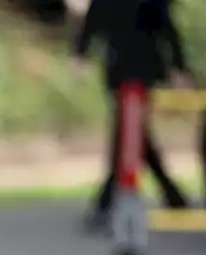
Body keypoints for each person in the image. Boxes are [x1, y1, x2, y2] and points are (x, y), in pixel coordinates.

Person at [73, 0, 192, 232]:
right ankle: (172, 194)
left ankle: (106, 203)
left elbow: (165, 25)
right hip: (120, 68)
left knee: (127, 134)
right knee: (135, 135)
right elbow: (94, 19)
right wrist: (80, 54)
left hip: (140, 68)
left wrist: (179, 66)